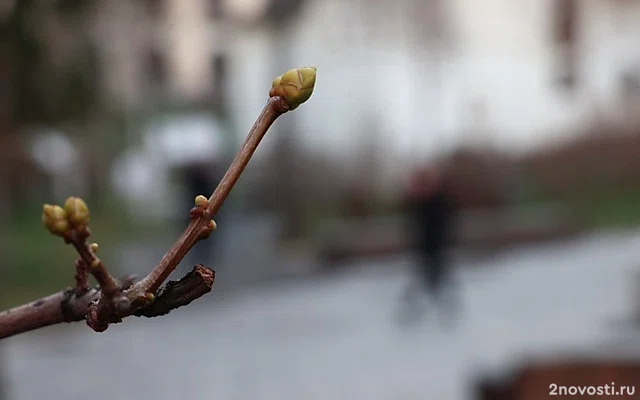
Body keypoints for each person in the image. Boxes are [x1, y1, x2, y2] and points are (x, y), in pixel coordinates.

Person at [398, 164, 459, 326]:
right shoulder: (418, 203)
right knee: (425, 282)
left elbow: (446, 225)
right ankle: (418, 311)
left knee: (436, 282)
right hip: (424, 250)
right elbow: (414, 226)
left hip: (437, 249)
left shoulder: (439, 202)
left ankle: (446, 313)